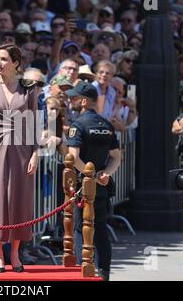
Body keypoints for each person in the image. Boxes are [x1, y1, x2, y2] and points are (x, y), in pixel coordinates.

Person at [0, 44, 38, 272]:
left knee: (19, 200)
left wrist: (35, 153)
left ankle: (15, 252)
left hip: (22, 149)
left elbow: (33, 123)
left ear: (15, 62)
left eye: (3, 59)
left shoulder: (29, 88)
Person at [66, 81, 121, 281]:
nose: (69, 100)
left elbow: (73, 157)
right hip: (102, 186)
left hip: (83, 186)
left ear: (83, 101)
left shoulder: (78, 125)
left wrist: (89, 176)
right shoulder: (106, 124)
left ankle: (84, 272)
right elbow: (116, 156)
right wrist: (104, 174)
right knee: (100, 229)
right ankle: (104, 272)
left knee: (82, 228)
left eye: (73, 97)